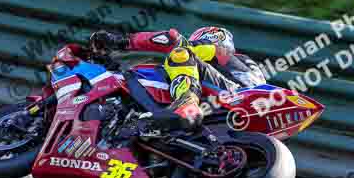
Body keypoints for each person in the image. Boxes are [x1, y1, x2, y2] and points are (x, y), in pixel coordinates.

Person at [89, 27, 266, 134]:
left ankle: (187, 103)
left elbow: (172, 39)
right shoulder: (237, 66)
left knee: (180, 53)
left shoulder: (221, 53)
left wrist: (121, 41)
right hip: (239, 113)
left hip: (239, 97)